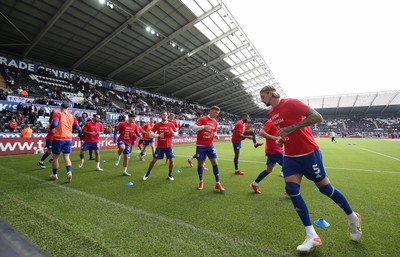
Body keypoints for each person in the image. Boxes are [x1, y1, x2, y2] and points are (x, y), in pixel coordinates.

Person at [259, 85, 362, 253]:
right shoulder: (271, 113)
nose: (261, 99)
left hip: (309, 152)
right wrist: (282, 139)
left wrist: (291, 128)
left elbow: (317, 117)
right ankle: (311, 235)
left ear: (270, 94)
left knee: (326, 189)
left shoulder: (291, 103)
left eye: (263, 96)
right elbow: (286, 131)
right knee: (292, 189)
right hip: (290, 156)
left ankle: (352, 217)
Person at [192, 106, 225, 192]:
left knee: (215, 162)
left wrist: (216, 135)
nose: (216, 114)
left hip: (210, 145)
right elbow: (194, 128)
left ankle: (218, 183)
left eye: (218, 113)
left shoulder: (215, 122)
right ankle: (201, 181)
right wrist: (203, 127)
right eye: (215, 112)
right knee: (200, 163)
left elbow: (214, 131)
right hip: (200, 145)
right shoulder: (202, 119)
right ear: (211, 111)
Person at [250, 119, 284, 194]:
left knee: (269, 170)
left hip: (274, 150)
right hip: (275, 151)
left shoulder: (280, 121)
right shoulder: (271, 121)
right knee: (289, 167)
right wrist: (275, 138)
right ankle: (290, 189)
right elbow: (261, 133)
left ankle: (254, 183)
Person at [142, 111, 178, 181]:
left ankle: (170, 174)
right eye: (164, 115)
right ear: (161, 116)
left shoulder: (171, 124)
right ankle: (148, 172)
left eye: (166, 115)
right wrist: (158, 135)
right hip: (160, 147)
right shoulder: (157, 125)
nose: (165, 116)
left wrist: (173, 132)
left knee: (171, 160)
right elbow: (151, 133)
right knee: (153, 160)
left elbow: (176, 133)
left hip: (169, 146)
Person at [49, 103, 79, 182]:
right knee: (67, 157)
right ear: (68, 108)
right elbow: (76, 127)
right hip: (68, 138)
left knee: (55, 157)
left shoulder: (58, 114)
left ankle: (55, 174)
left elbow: (55, 123)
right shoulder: (72, 116)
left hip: (58, 138)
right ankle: (69, 172)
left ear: (60, 107)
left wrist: (50, 127)